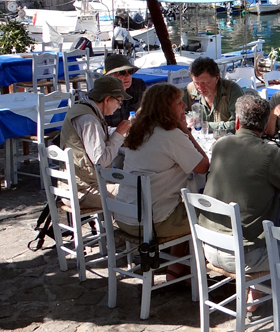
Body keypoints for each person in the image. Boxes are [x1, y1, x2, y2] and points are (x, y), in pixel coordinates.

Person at [201, 94, 280, 302]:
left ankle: (253, 295)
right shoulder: (268, 153)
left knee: (257, 229)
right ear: (265, 125)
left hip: (209, 246)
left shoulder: (219, 145)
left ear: (237, 121)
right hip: (243, 255)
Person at [114, 83, 210, 279]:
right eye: (178, 103)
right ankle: (197, 268)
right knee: (208, 208)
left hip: (125, 215)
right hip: (149, 222)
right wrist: (186, 131)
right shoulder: (171, 135)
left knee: (180, 203)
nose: (184, 106)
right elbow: (203, 166)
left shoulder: (140, 131)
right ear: (164, 108)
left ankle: (176, 269)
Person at [60, 77, 132, 209]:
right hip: (83, 190)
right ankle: (125, 228)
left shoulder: (83, 108)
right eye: (118, 102)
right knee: (136, 194)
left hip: (75, 185)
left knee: (130, 186)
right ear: (106, 99)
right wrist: (118, 135)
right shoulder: (88, 119)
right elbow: (101, 161)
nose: (118, 106)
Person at [183, 56, 244, 133]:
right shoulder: (189, 89)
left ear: (217, 78)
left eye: (205, 83)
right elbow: (177, 117)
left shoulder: (232, 90)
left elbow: (238, 124)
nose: (200, 87)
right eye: (196, 83)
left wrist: (206, 126)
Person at [103, 54, 146, 128]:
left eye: (130, 71)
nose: (127, 76)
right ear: (109, 76)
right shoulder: (101, 95)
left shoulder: (138, 85)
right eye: (121, 73)